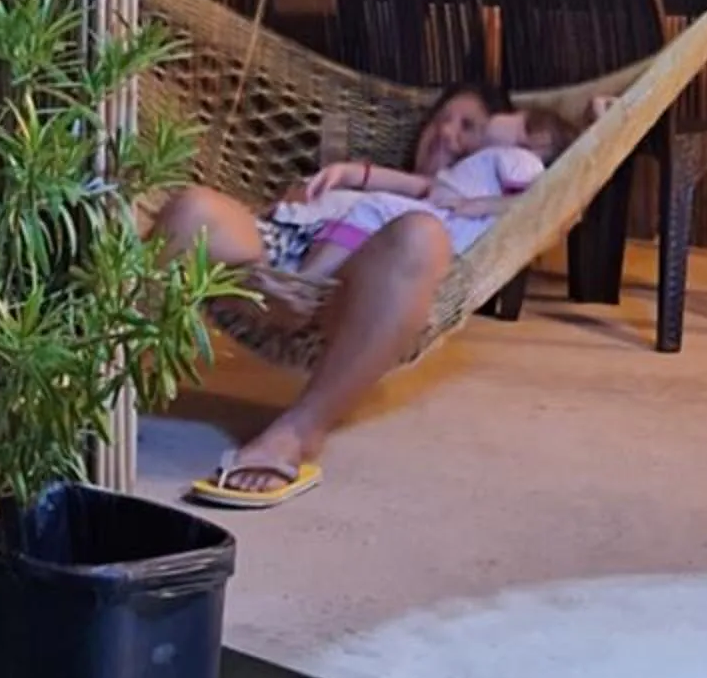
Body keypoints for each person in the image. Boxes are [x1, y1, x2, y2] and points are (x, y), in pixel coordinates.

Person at [156, 87, 570, 510]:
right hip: (273, 251)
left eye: (469, 126)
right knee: (194, 208)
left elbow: (555, 202)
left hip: (353, 288)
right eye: (440, 118)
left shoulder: (447, 213)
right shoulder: (381, 184)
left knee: (422, 236)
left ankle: (297, 433)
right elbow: (287, 203)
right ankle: (111, 367)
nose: (446, 131)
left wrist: (599, 114)